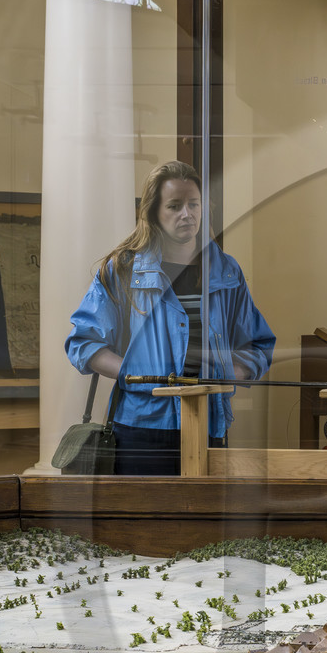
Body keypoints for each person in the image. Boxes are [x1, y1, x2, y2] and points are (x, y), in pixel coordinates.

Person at [64, 160, 275, 475]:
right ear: (153, 212)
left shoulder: (226, 271)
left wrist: (227, 372)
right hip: (140, 428)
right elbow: (83, 343)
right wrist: (138, 375)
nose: (186, 214)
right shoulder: (123, 270)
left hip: (209, 425)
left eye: (194, 204)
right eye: (174, 206)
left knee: (204, 508)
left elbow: (259, 345)